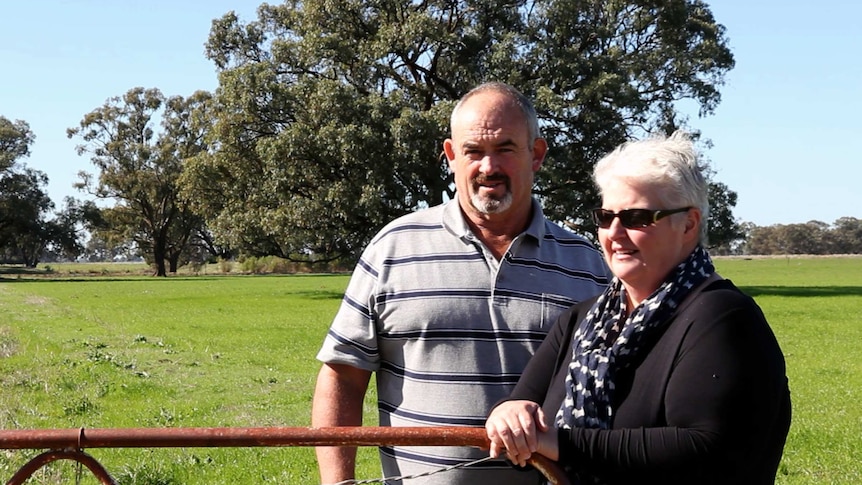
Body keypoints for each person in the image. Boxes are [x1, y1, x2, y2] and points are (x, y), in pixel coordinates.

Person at [312, 82, 610, 484]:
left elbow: (611, 393)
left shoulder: (589, 265)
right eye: (473, 151)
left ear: (535, 154)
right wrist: (338, 483)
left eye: (505, 148)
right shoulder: (394, 248)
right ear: (451, 155)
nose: (489, 167)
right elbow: (343, 376)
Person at [485, 131, 791, 484]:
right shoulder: (582, 321)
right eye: (605, 216)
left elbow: (703, 447)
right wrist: (508, 415)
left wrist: (561, 443)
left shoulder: (723, 317)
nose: (614, 232)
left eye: (637, 218)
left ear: (689, 224)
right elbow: (523, 406)